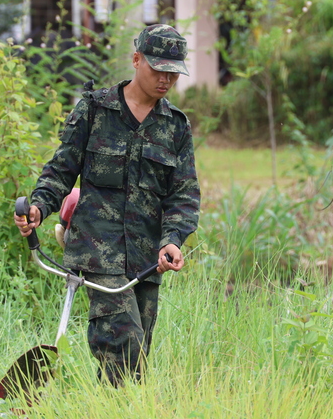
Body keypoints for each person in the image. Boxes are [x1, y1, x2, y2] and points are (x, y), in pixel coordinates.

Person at [14, 24, 201, 387]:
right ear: (136, 60)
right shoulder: (95, 110)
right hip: (97, 252)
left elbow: (183, 195)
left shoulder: (175, 127)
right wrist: (39, 206)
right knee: (123, 343)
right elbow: (61, 169)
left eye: (172, 73)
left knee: (135, 355)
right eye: (157, 69)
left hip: (147, 258)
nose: (165, 80)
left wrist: (174, 239)